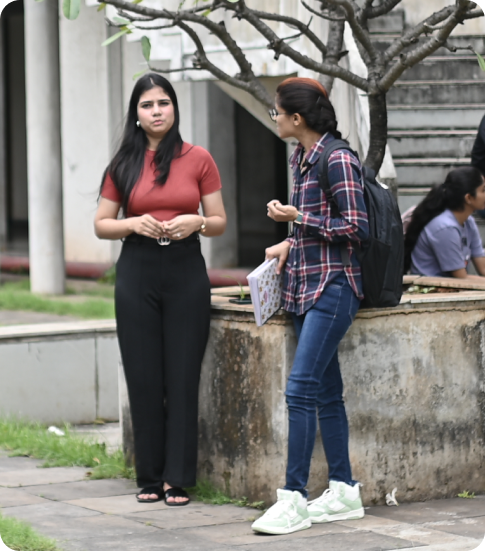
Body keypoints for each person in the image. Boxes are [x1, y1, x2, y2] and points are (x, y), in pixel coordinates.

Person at [94, 73, 227, 506]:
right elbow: (101, 224)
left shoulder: (199, 158)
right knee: (144, 375)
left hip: (186, 266)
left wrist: (199, 222)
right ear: (136, 113)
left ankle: (178, 477)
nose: (157, 111)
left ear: (175, 108)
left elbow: (219, 219)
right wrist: (132, 223)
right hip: (136, 268)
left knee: (183, 375)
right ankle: (149, 477)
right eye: (148, 105)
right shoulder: (122, 164)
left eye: (164, 103)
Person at [251, 77, 369, 535]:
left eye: (276, 111)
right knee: (324, 392)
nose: (274, 118)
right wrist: (288, 241)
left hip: (334, 288)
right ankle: (343, 490)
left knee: (300, 389)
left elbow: (355, 227)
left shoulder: (337, 157)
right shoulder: (301, 156)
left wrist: (299, 217)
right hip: (304, 284)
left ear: (296, 118)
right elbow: (318, 229)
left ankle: (294, 498)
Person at [404, 166, 485, 279]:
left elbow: (483, 268)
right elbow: (461, 278)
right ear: (469, 198)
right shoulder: (445, 228)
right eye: (483, 190)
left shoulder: (468, 221)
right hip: (429, 291)